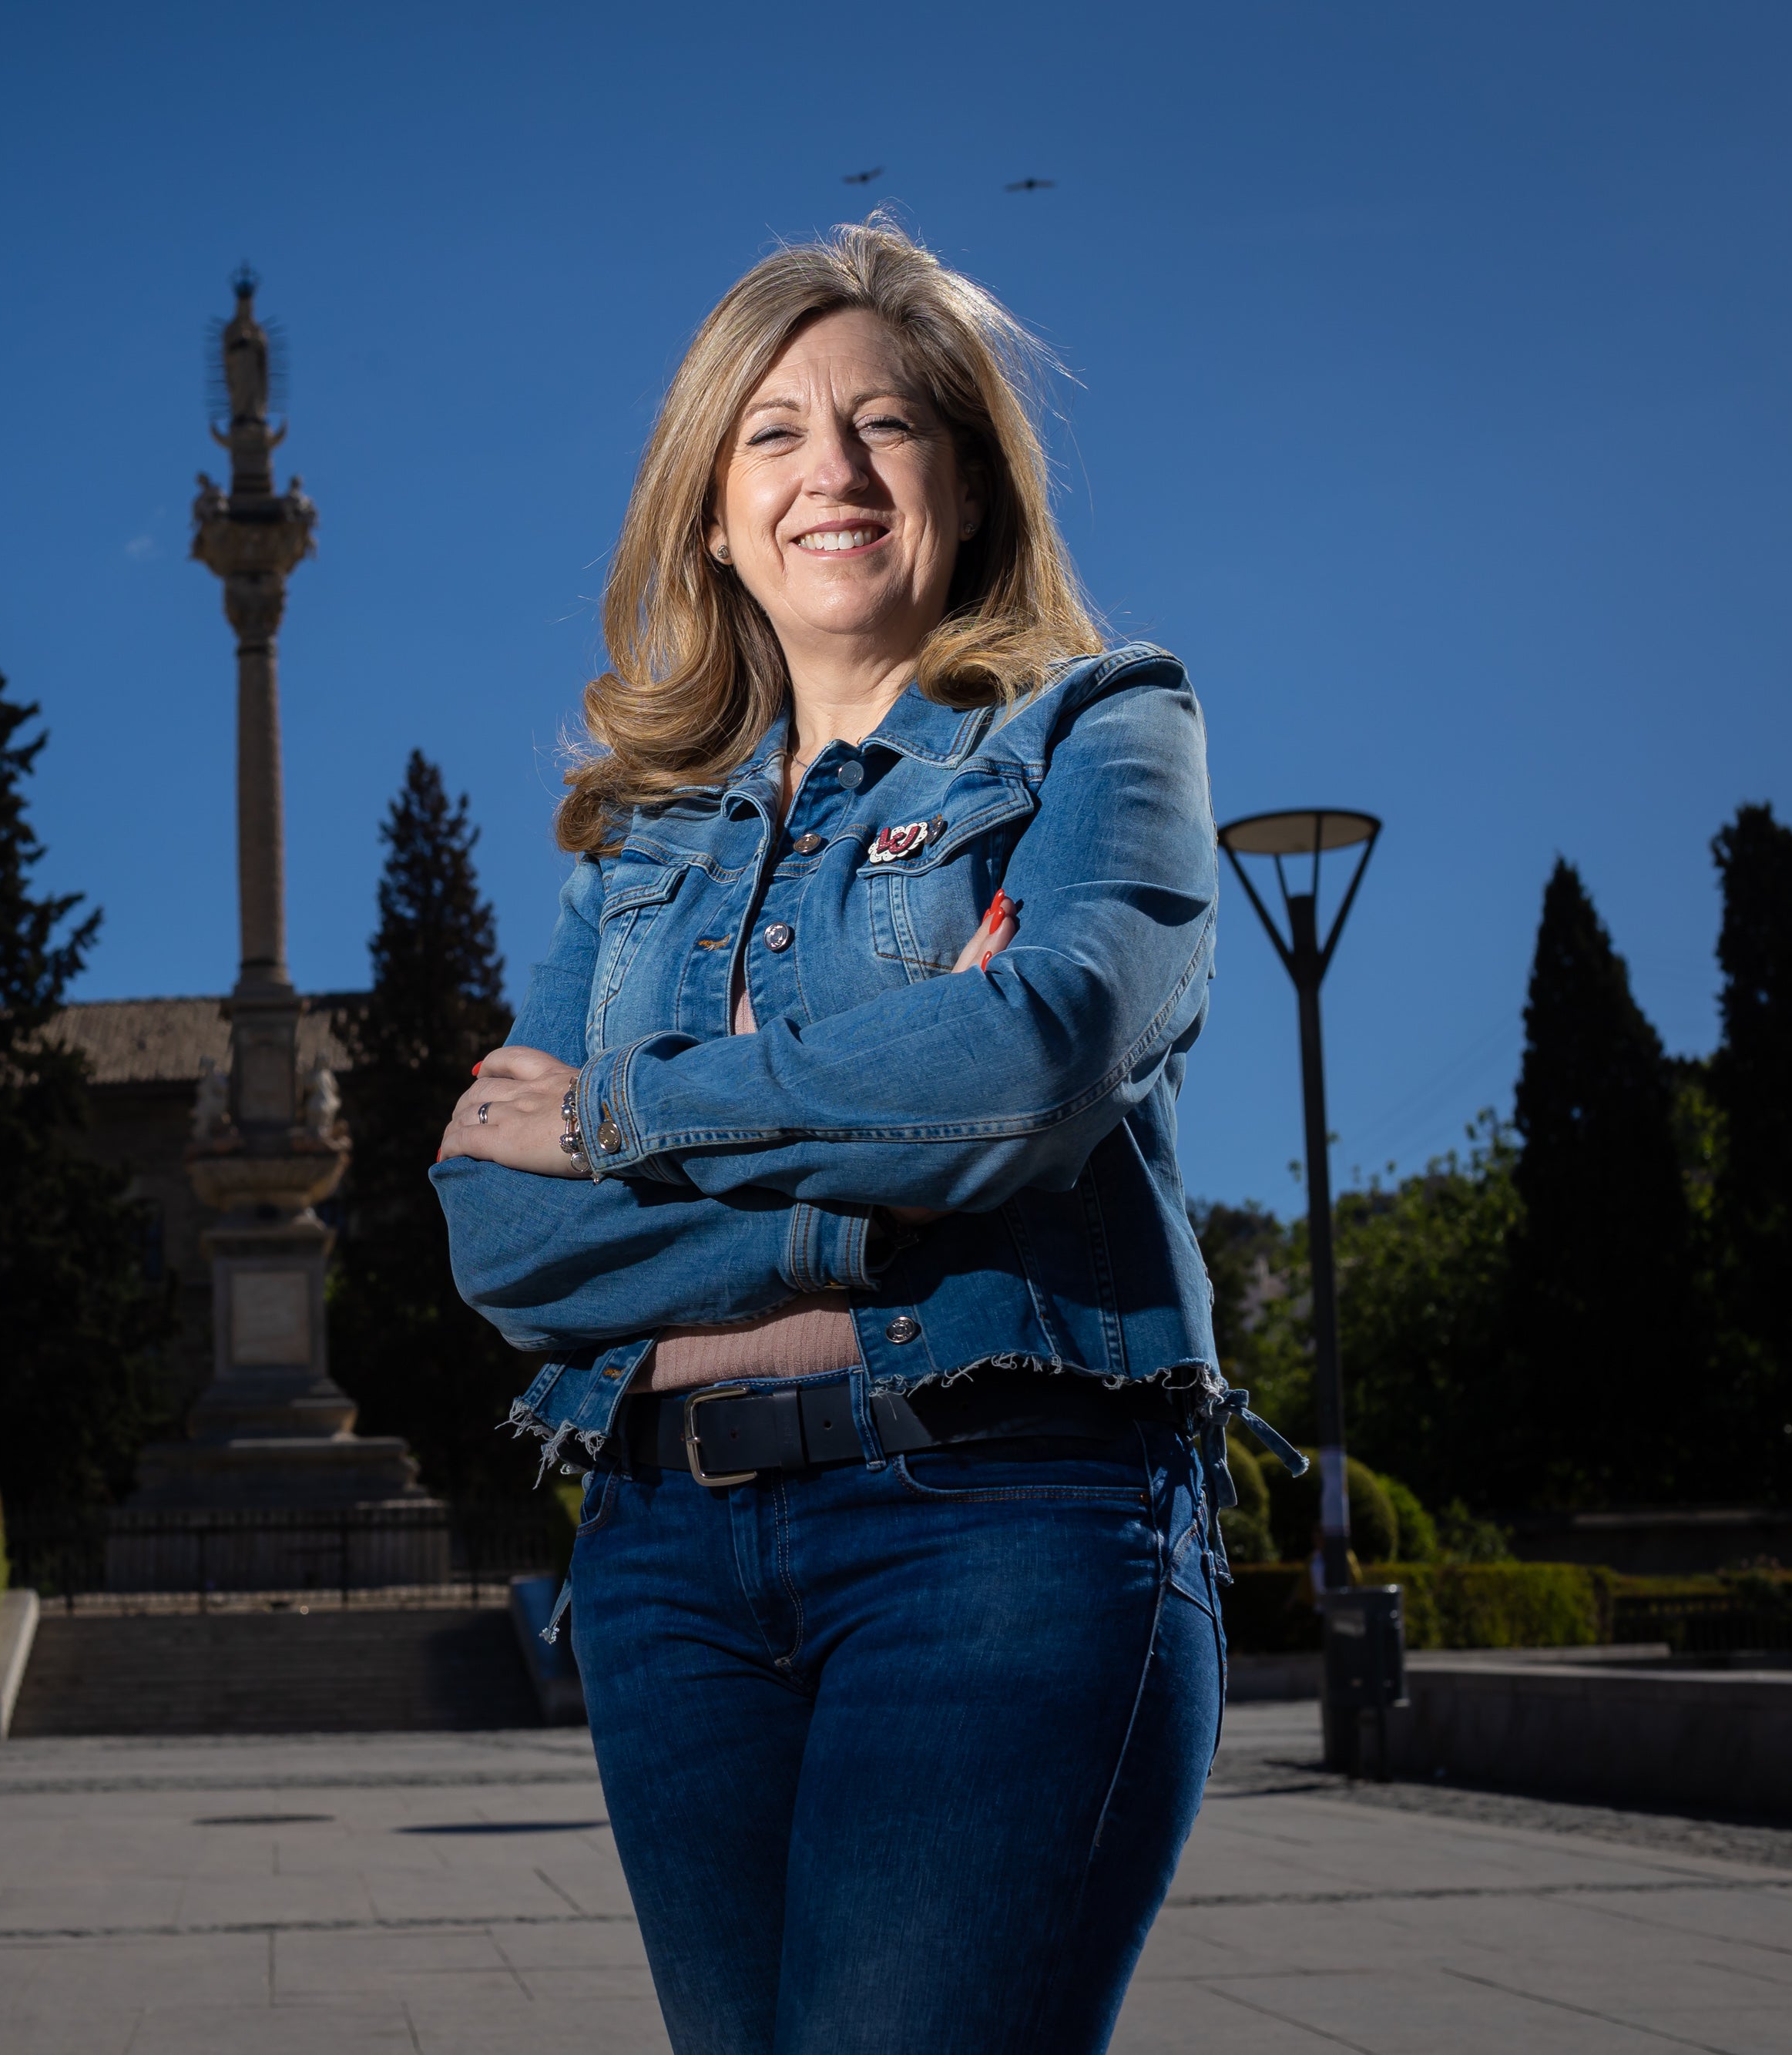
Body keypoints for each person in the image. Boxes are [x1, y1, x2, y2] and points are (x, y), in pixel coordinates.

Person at [433, 217, 1299, 2054]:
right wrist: (875, 1196)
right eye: (772, 435)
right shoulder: (635, 845)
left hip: (1002, 1525)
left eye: (887, 426)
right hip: (664, 1555)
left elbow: (1039, 1058)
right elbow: (499, 1243)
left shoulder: (1098, 734)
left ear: (970, 488)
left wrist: (621, 1121)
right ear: (711, 512)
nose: (830, 471)